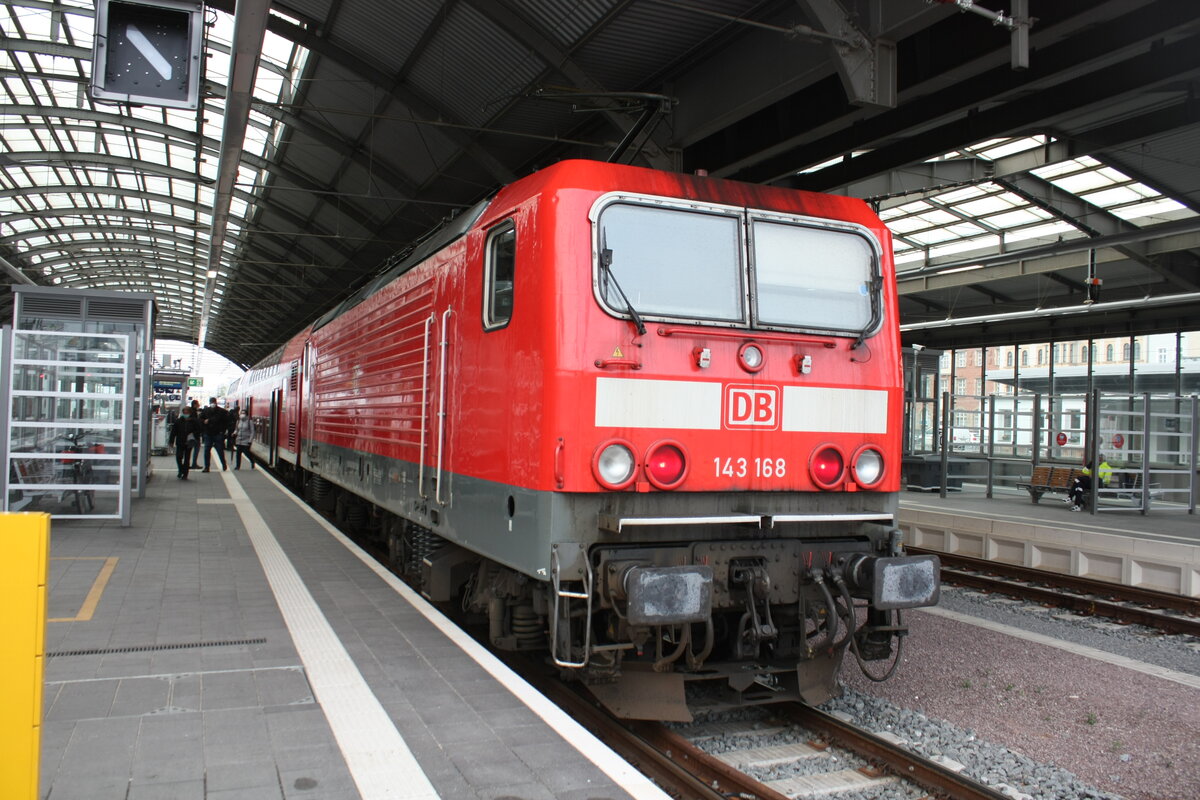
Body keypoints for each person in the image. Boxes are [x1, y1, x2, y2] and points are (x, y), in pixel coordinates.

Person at [170, 405, 199, 479]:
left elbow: (198, 430)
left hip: (189, 442)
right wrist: (171, 441)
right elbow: (173, 432)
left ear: (190, 413)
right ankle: (181, 469)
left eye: (187, 412)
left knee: (187, 458)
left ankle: (185, 474)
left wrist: (194, 436)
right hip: (180, 441)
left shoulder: (194, 421)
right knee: (178, 456)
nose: (186, 414)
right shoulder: (178, 421)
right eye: (184, 412)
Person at [201, 397, 229, 472]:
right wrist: (204, 422)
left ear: (216, 402)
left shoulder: (222, 411)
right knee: (207, 450)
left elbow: (225, 421)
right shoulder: (205, 411)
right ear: (210, 403)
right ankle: (207, 467)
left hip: (218, 433)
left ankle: (223, 464)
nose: (213, 403)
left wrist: (222, 431)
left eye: (213, 402)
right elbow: (200, 419)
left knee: (220, 450)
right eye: (211, 402)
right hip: (208, 433)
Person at [189, 399, 203, 467]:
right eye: (197, 404)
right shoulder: (194, 412)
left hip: (191, 433)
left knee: (189, 449)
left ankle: (189, 463)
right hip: (195, 434)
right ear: (194, 405)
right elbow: (195, 423)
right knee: (196, 448)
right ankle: (194, 463)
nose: (198, 405)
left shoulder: (191, 412)